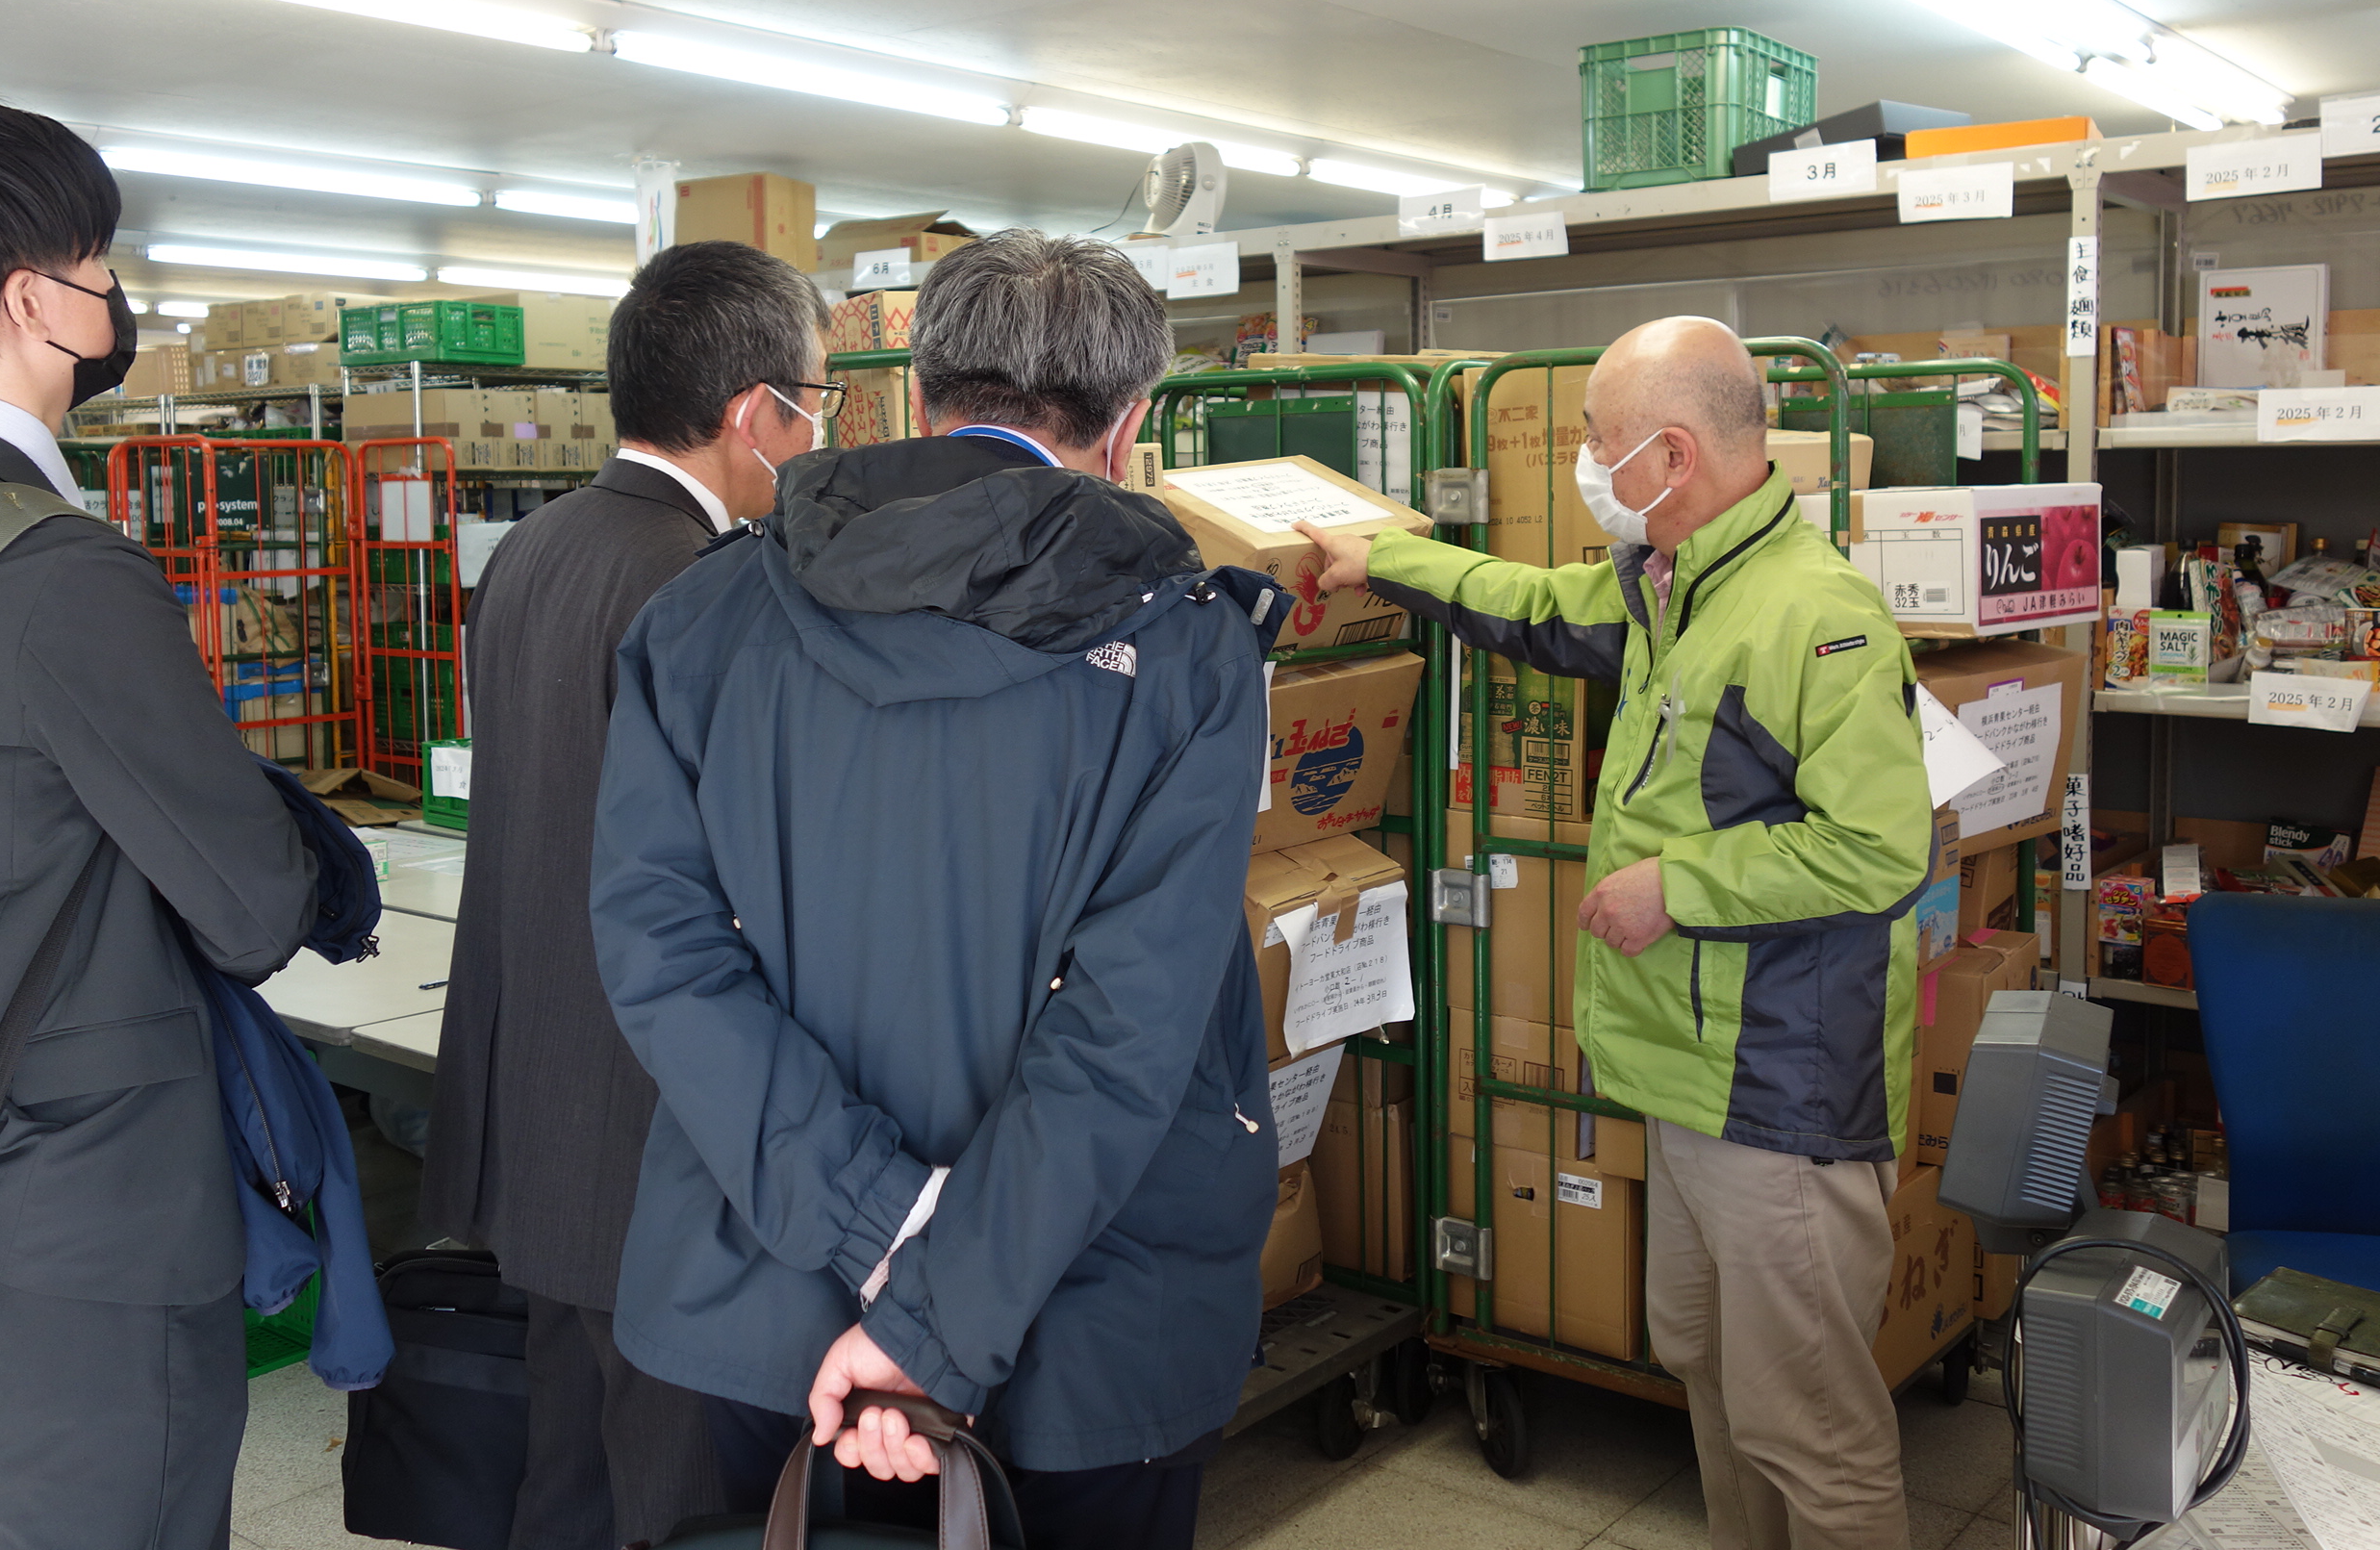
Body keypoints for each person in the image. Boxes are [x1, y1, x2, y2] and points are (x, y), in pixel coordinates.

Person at [590, 229, 1282, 1550]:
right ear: (1128, 426)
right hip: (1089, 1317)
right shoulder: (1193, 660)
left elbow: (663, 953)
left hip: (771, 1297)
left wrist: (878, 1234)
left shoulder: (699, 618)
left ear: (916, 392)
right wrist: (939, 1307)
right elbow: (1128, 1027)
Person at [1301, 315, 1931, 1550]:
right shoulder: (1669, 589)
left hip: (1781, 1096)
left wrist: (1675, 885)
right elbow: (1533, 605)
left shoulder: (1815, 617)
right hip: (1685, 1079)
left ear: (1673, 456)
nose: (1587, 464)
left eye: (1599, 442)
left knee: (1811, 1425)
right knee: (1710, 1369)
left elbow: (1880, 848)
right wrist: (1386, 562)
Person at [0, 91, 318, 1548]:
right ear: (34, 304)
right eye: (102, 270)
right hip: (85, 1230)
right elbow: (252, 907)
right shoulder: (56, 574)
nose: (116, 302)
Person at [420, 239, 835, 1550]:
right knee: (675, 1492)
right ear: (749, 413)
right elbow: (753, 884)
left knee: (569, 1474)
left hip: (535, 1113)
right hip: (658, 1143)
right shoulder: (715, 590)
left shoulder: (533, 549)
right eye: (811, 402)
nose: (814, 433)